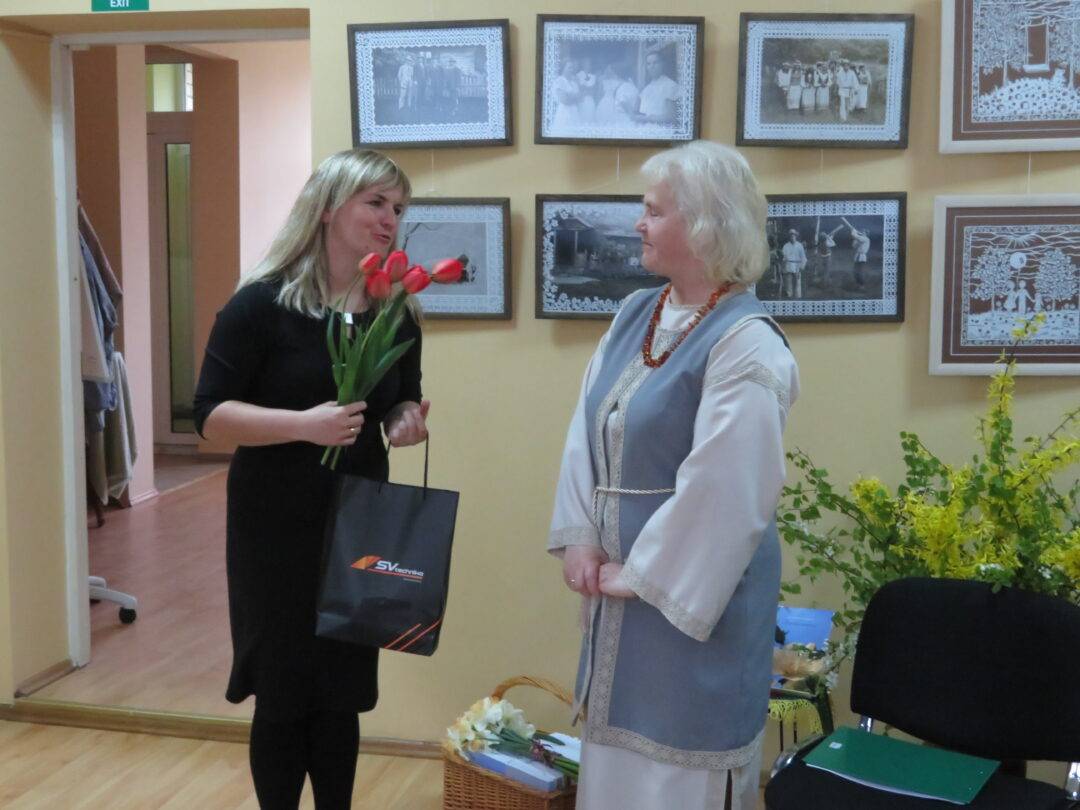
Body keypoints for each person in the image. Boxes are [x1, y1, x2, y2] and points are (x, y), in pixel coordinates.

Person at [549, 140, 799, 810]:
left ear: (706, 224)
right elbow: (585, 431)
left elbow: (731, 485)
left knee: (677, 773)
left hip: (693, 597)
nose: (639, 223)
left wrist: (640, 575)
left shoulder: (747, 341)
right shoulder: (636, 313)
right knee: (615, 768)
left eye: (654, 211)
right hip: (616, 592)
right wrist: (581, 536)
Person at [192, 149, 431, 810]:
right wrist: (304, 425)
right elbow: (209, 416)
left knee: (340, 691)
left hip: (359, 518)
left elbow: (398, 404)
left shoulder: (395, 312)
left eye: (398, 208)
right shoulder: (261, 305)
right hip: (276, 525)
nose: (390, 219)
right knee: (283, 687)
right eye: (375, 203)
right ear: (328, 208)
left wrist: (405, 423)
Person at [637, 50, 680, 125]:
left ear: (662, 64)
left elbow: (671, 117)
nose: (652, 66)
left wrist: (645, 118)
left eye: (655, 62)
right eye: (648, 64)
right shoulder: (646, 89)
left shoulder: (670, 86)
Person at [552, 58, 581, 131]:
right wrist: (574, 97)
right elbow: (564, 100)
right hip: (564, 113)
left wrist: (569, 95)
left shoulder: (574, 82)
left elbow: (580, 99)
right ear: (563, 68)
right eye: (569, 67)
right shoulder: (559, 81)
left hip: (574, 112)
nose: (571, 70)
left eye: (572, 67)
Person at [781, 228, 806, 298]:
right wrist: (783, 268)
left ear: (796, 236)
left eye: (793, 235)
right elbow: (784, 258)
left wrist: (801, 267)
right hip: (788, 266)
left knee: (797, 285)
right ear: (789, 237)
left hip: (797, 267)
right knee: (788, 284)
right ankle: (789, 296)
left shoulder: (799, 245)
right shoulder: (786, 246)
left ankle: (797, 298)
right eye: (790, 235)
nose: (792, 236)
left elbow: (803, 258)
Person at [576, 57, 598, 125]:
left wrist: (585, 88)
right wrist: (588, 88)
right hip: (581, 100)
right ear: (583, 64)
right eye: (586, 63)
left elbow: (593, 91)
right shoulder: (578, 75)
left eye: (589, 63)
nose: (588, 65)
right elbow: (580, 88)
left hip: (591, 100)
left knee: (590, 119)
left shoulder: (593, 76)